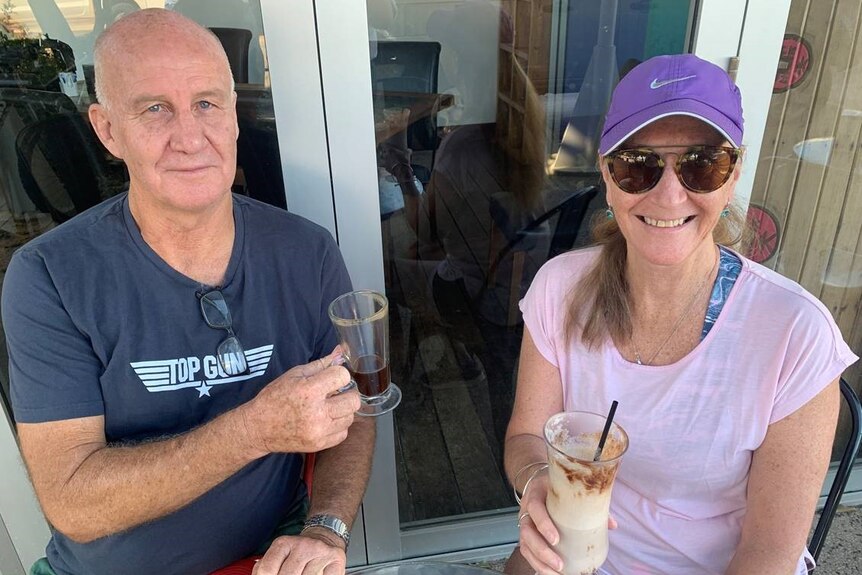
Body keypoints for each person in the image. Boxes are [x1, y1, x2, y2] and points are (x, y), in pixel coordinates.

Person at [1, 9, 374, 575]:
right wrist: (253, 429)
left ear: (233, 115)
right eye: (155, 109)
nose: (189, 137)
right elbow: (72, 500)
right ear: (106, 130)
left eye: (207, 103)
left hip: (272, 554)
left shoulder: (306, 252)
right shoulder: (48, 276)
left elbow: (356, 409)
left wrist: (325, 528)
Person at [503, 54, 858, 575]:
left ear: (732, 175)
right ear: (607, 174)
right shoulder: (560, 289)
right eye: (637, 165)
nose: (669, 194)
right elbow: (526, 437)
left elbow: (768, 555)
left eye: (701, 164)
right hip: (580, 558)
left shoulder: (794, 333)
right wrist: (537, 481)